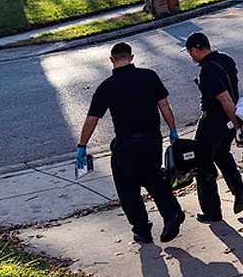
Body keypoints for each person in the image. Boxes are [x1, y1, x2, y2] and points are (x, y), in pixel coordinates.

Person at [76, 41, 184, 244]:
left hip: (126, 143)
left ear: (112, 60)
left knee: (127, 187)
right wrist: (173, 130)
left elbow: (92, 119)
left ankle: (142, 230)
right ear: (131, 57)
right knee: (153, 178)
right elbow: (164, 105)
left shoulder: (107, 87)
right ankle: (172, 212)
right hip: (152, 138)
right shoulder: (149, 76)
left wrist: (82, 146)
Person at [184, 31, 243, 223]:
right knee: (221, 154)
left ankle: (212, 211)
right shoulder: (225, 59)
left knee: (202, 163)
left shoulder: (208, 72)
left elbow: (225, 99)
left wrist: (238, 127)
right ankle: (238, 189)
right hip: (230, 119)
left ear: (196, 49)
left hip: (215, 121)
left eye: (191, 53)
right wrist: (234, 123)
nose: (191, 57)